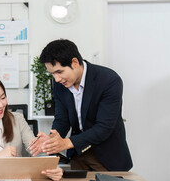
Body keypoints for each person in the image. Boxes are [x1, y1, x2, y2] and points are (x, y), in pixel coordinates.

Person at [30, 39, 133, 171]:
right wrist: (51, 140)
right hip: (78, 154)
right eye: (52, 74)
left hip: (107, 157)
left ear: (74, 62)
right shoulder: (59, 84)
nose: (56, 79)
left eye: (59, 72)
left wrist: (65, 143)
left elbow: (104, 127)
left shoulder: (109, 80)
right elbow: (62, 119)